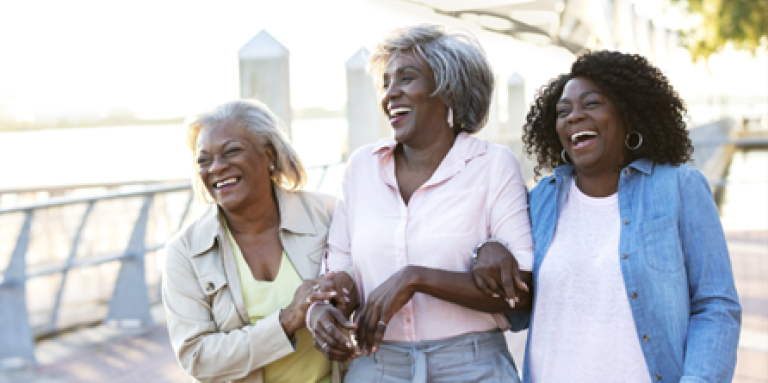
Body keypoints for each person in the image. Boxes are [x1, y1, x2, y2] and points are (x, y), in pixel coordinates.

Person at [473, 50, 742, 382]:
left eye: (591, 104)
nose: (573, 116)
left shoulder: (679, 188)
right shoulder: (539, 200)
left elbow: (716, 306)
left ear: (628, 115)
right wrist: (487, 247)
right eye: (563, 111)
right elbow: (515, 307)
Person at [308, 24, 535, 382]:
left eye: (406, 79)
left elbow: (519, 293)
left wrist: (416, 279)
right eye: (386, 83)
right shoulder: (361, 168)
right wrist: (322, 314)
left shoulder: (492, 166)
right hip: (377, 366)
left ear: (449, 91)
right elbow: (339, 273)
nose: (390, 94)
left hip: (472, 367)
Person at [162, 99, 349, 383]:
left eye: (231, 151)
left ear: (269, 155)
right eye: (204, 160)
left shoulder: (329, 216)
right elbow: (196, 357)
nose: (216, 168)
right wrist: (286, 321)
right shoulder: (185, 252)